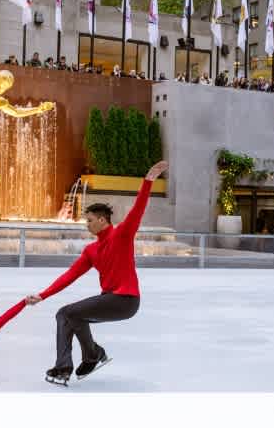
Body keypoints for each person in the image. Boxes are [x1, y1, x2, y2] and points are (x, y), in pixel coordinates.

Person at [25, 160, 169, 385]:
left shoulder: (122, 234)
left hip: (126, 300)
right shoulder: (91, 250)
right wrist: (43, 295)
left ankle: (70, 365)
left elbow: (138, 209)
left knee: (66, 313)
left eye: (90, 221)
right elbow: (69, 276)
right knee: (72, 316)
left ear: (103, 220)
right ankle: (92, 355)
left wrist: (148, 180)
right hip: (110, 300)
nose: (87, 225)